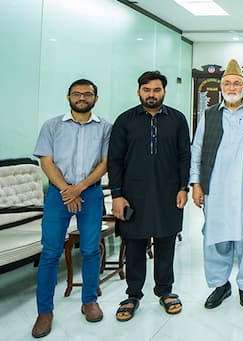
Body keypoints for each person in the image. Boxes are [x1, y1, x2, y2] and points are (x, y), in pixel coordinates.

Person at [189, 59, 243, 309]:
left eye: (237, 83)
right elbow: (197, 149)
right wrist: (196, 183)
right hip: (216, 187)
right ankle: (220, 284)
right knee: (216, 238)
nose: (232, 86)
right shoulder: (209, 114)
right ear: (221, 86)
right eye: (227, 82)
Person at [31, 79, 111, 338]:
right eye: (76, 94)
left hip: (91, 193)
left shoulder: (105, 128)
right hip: (58, 195)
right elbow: (47, 161)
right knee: (50, 252)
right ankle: (45, 312)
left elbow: (104, 163)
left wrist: (79, 188)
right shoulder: (52, 126)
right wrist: (67, 190)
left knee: (90, 250)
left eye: (87, 94)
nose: (82, 98)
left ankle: (89, 301)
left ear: (95, 99)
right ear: (68, 97)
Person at [108, 71, 191, 321]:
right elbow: (115, 160)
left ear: (164, 92)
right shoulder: (125, 120)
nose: (151, 95)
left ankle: (165, 292)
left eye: (156, 90)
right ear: (138, 92)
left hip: (168, 192)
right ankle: (133, 295)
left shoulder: (177, 119)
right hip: (133, 194)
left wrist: (182, 187)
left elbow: (184, 156)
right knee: (134, 244)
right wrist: (117, 195)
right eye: (147, 90)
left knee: (166, 242)